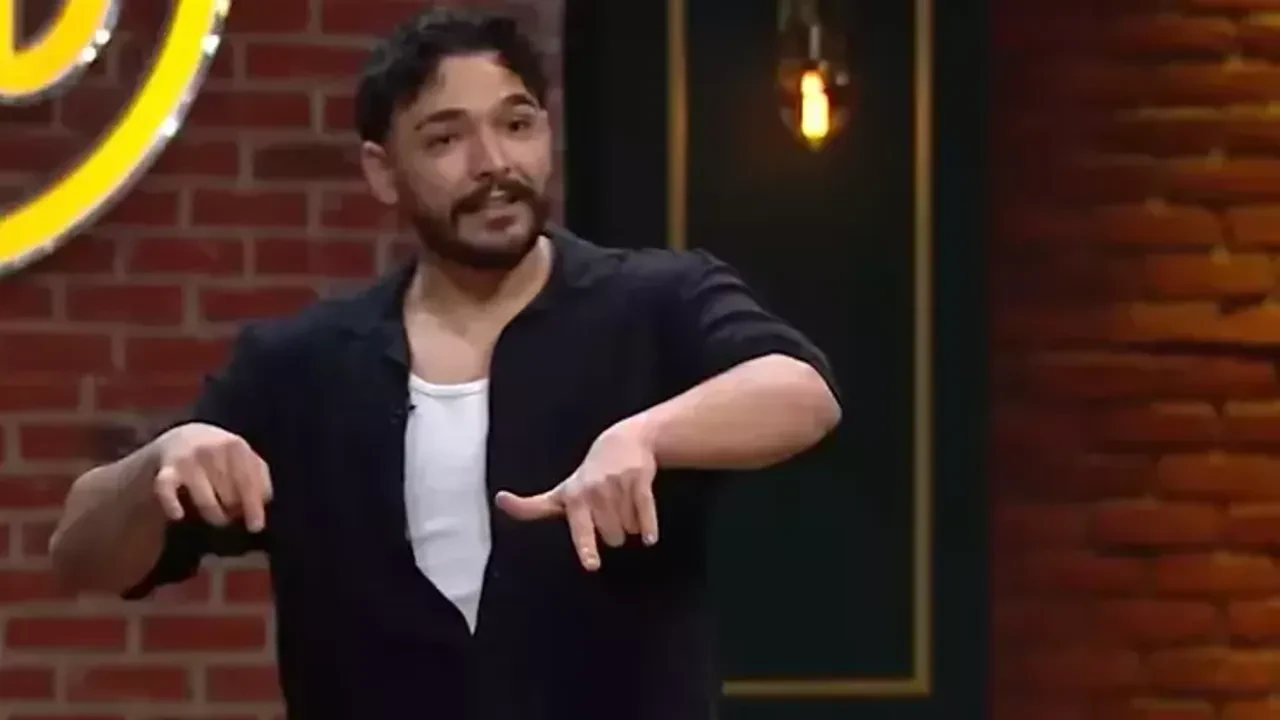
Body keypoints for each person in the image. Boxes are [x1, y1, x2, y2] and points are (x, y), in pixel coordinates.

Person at [48, 8, 842, 720]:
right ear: (381, 171)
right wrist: (161, 459)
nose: (493, 162)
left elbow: (801, 391)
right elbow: (82, 557)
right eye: (445, 139)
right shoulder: (303, 367)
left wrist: (646, 437)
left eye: (517, 124)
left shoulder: (652, 301)